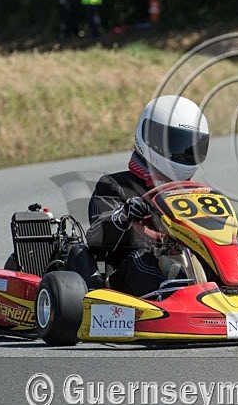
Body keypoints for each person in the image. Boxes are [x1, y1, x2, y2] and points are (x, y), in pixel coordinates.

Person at [66, 96, 210, 296]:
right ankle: (168, 299)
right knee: (142, 259)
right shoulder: (115, 186)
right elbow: (96, 237)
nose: (182, 154)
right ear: (151, 139)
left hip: (186, 267)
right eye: (175, 144)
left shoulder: (194, 194)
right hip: (125, 278)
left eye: (188, 147)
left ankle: (237, 287)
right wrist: (125, 214)